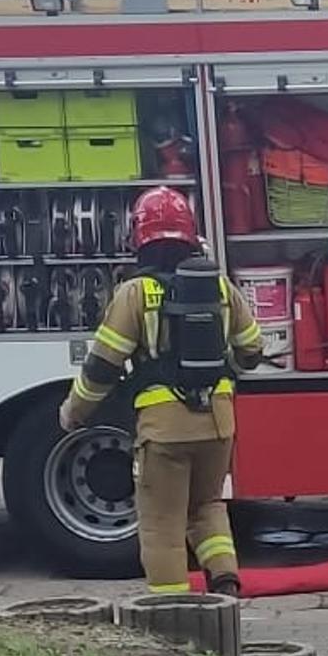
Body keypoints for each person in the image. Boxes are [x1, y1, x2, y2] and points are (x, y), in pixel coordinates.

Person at [59, 187, 265, 596]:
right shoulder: (220, 287)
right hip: (219, 424)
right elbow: (253, 349)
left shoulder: (135, 293)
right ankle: (224, 582)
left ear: (140, 236)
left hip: (164, 429)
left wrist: (74, 412)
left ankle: (173, 616)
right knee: (207, 507)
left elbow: (103, 364)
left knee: (162, 525)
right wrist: (227, 375)